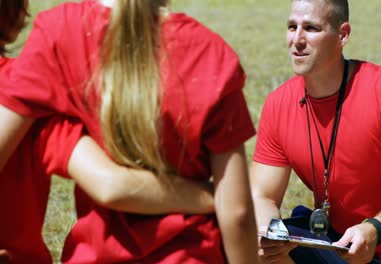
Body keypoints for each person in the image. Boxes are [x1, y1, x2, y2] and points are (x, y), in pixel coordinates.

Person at [0, 0, 259, 263]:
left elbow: (110, 186)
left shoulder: (59, 30)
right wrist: (213, 196)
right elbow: (237, 215)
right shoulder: (211, 54)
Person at [250, 0, 381, 263]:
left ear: (343, 34)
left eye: (311, 28)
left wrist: (375, 229)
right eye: (292, 27)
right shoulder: (278, 104)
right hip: (332, 244)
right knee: (247, 243)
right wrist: (271, 236)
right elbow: (262, 194)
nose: (297, 40)